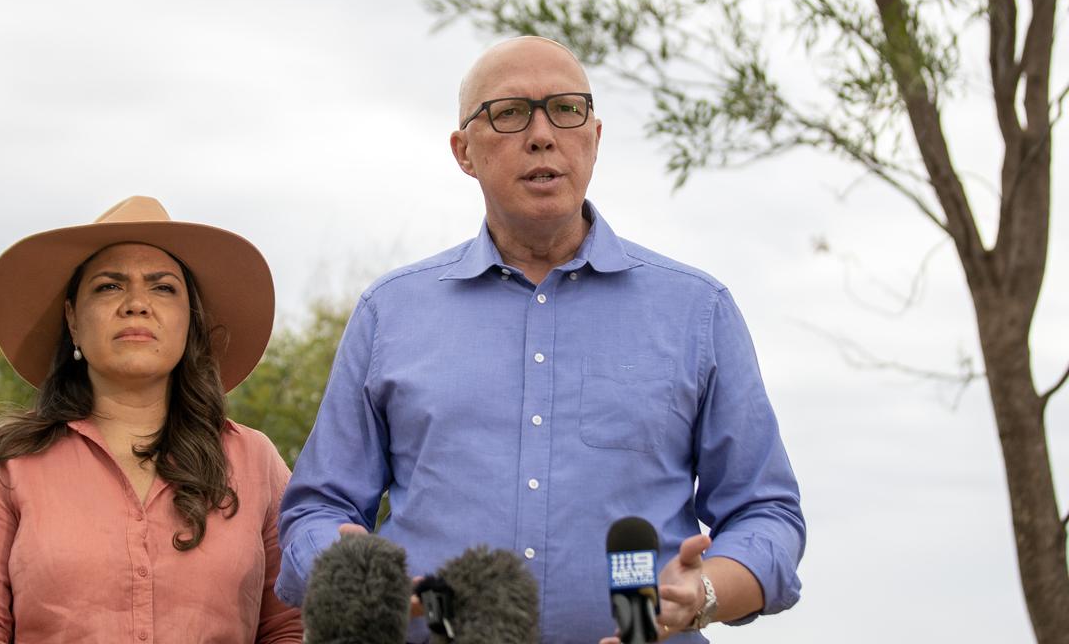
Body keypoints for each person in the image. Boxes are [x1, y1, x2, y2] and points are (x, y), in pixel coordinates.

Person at [275, 37, 805, 643]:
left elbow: (768, 513)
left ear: (596, 138)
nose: (543, 134)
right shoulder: (388, 313)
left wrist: (704, 590)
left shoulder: (697, 311)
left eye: (566, 109)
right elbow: (315, 511)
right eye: (509, 114)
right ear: (463, 151)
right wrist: (350, 569)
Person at [0, 196, 302, 643]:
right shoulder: (4, 465)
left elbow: (291, 626)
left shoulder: (254, 460)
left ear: (190, 320)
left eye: (163, 287)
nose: (136, 304)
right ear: (72, 319)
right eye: (109, 286)